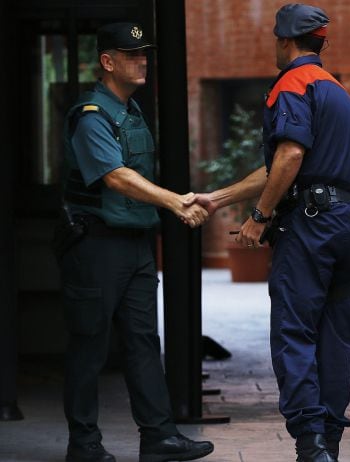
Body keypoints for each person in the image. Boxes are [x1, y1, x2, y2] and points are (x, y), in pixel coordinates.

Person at [189, 4, 350, 461]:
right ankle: (328, 441)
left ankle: (309, 444)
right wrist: (218, 198)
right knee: (334, 336)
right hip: (346, 225)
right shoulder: (338, 93)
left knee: (294, 331)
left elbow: (288, 157)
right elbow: (282, 166)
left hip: (309, 228)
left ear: (284, 41)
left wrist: (260, 216)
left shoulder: (292, 83)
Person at [58, 22, 214, 462]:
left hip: (134, 245)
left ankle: (159, 437)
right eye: (131, 54)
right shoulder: (91, 114)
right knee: (90, 343)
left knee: (144, 340)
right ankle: (84, 443)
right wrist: (177, 203)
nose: (142, 60)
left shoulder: (132, 110)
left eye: (144, 53)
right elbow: (116, 176)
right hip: (95, 247)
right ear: (107, 62)